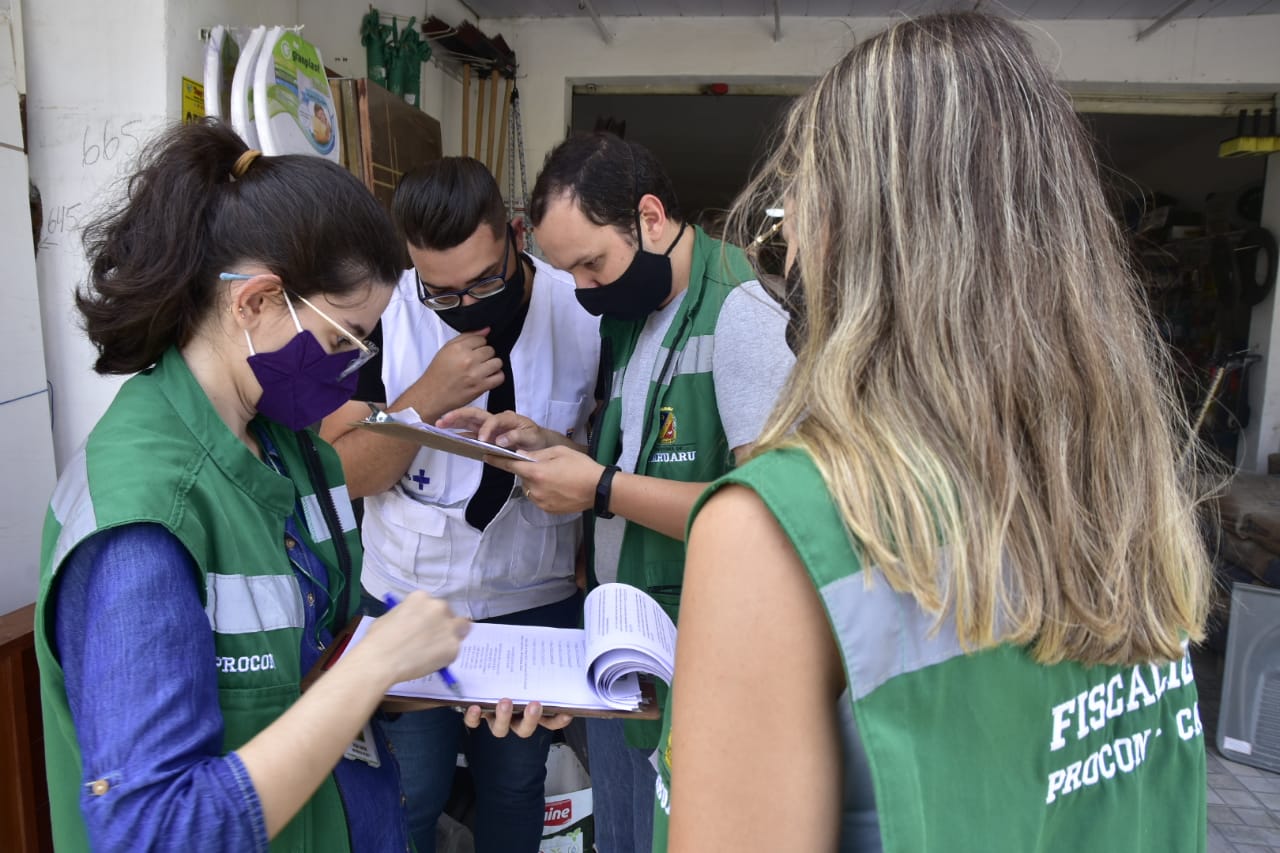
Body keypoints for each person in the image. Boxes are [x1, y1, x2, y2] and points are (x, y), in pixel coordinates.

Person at [653, 12, 1215, 852]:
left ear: (853, 227)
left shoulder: (779, 525)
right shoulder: (1128, 490)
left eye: (797, 202)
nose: (789, 242)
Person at [33, 120, 560, 853]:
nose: (352, 365)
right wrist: (374, 664)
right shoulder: (145, 519)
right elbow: (153, 832)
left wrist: (443, 678)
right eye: (343, 338)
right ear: (254, 302)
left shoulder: (288, 446)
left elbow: (307, 669)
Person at [443, 134, 794, 853]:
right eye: (568, 270)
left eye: (591, 262)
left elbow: (771, 516)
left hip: (696, 661)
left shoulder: (744, 311)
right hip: (624, 657)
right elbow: (647, 458)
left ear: (652, 217)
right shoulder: (637, 314)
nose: (582, 290)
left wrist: (597, 488)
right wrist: (557, 447)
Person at [319, 156, 599, 853]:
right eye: (442, 292)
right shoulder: (382, 313)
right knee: (409, 791)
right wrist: (423, 400)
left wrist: (548, 445)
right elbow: (343, 471)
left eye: (485, 280)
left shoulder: (582, 306)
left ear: (512, 234)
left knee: (514, 786)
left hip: (535, 599)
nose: (467, 301)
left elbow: (605, 463)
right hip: (410, 598)